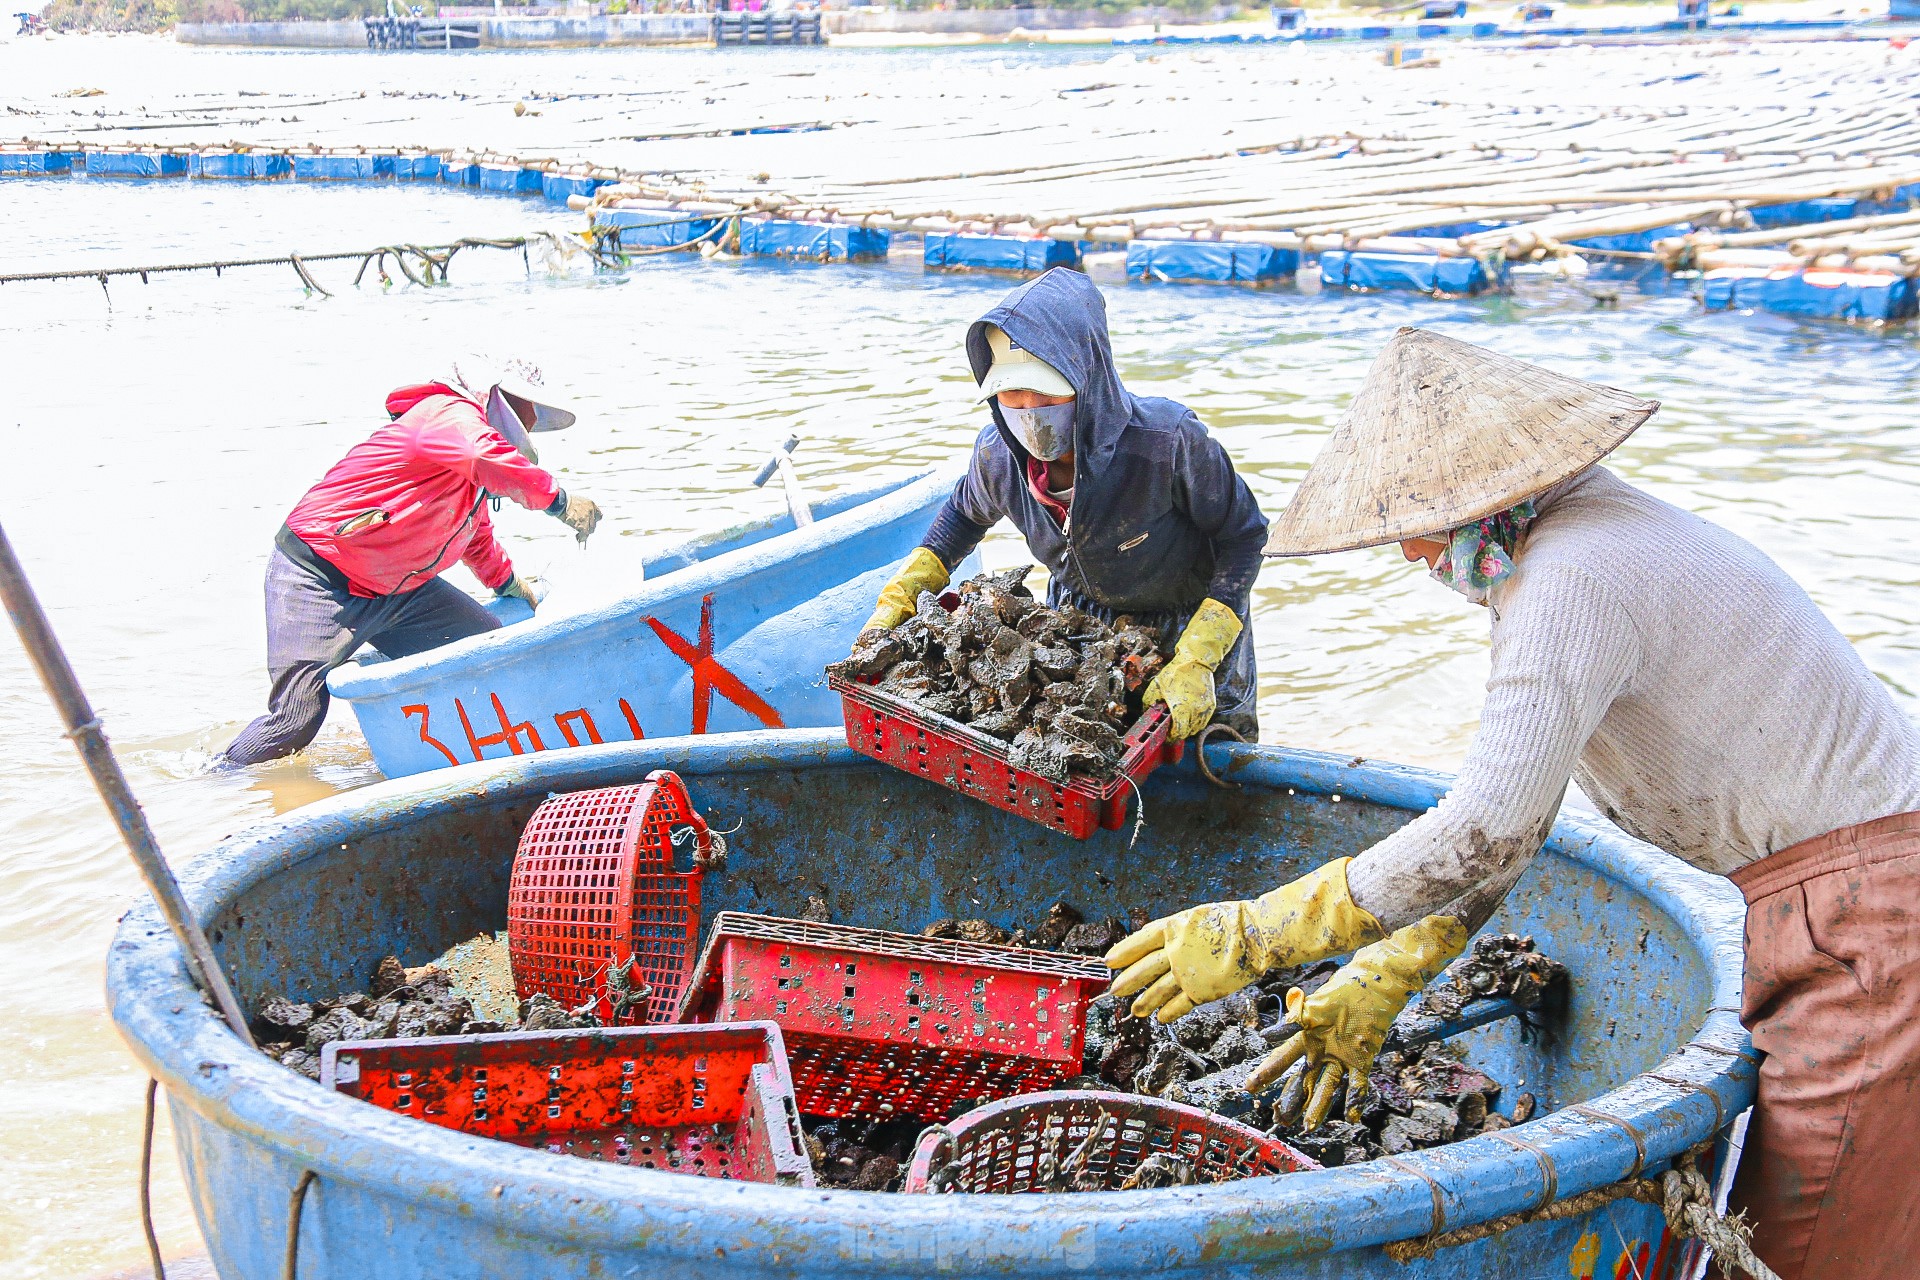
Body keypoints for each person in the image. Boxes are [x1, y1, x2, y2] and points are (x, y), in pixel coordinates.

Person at [1103, 327, 1920, 1280]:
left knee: (1810, 1249)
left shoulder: (1571, 579)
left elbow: (1484, 827)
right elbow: (1520, 816)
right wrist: (1399, 961)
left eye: (1418, 520)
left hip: (1874, 927)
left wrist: (1266, 932)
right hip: (1846, 903)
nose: (1411, 551)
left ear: (1486, 498)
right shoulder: (1600, 540)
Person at [861, 267, 1269, 741]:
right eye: (1010, 390)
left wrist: (1199, 656)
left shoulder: (1167, 445)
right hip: (1078, 630)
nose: (1029, 408)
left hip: (1191, 623)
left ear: (1087, 375)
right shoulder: (997, 458)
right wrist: (901, 596)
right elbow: (961, 518)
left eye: (1045, 387)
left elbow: (1244, 536)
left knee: (1209, 769)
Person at [221, 355, 603, 766]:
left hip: (399, 590)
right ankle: (221, 781)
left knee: (484, 650)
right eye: (525, 409)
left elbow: (475, 535)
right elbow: (486, 458)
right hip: (319, 575)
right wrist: (560, 503)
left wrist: (510, 584)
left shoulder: (469, 463)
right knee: (295, 722)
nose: (529, 423)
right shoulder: (448, 414)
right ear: (496, 397)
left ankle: (438, 750)